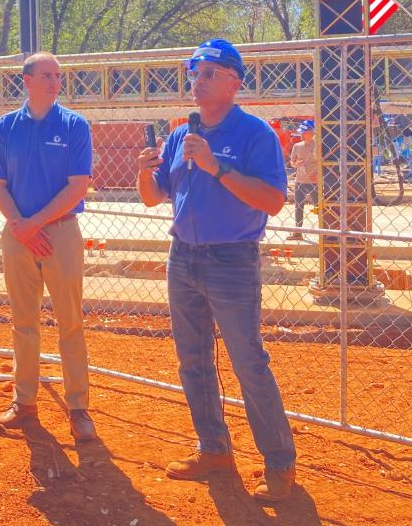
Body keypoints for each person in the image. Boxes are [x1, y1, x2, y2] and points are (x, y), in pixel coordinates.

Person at [136, 38, 297, 501]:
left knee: (249, 363)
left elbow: (273, 201)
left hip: (232, 260)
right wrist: (145, 172)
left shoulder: (255, 134)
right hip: (182, 256)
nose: (198, 80)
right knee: (193, 360)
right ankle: (213, 448)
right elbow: (153, 196)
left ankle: (280, 464)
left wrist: (216, 168)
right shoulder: (178, 133)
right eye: (194, 72)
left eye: (209, 72)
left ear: (234, 83)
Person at [0, 52, 96, 442]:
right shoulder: (6, 127)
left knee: (71, 322)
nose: (54, 82)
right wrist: (21, 225)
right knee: (23, 323)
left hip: (60, 233)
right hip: (17, 235)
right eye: (46, 75)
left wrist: (35, 224)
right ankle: (25, 402)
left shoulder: (74, 126)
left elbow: (77, 186)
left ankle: (78, 408)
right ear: (26, 80)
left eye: (58, 76)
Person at [288, 120, 317, 241]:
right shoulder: (297, 146)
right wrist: (295, 164)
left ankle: (326, 230)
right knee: (298, 206)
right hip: (300, 180)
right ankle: (298, 232)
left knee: (320, 206)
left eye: (304, 132)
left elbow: (323, 163)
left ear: (311, 132)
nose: (301, 135)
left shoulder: (318, 146)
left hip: (315, 181)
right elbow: (292, 162)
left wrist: (318, 174)